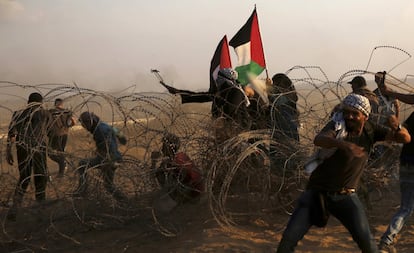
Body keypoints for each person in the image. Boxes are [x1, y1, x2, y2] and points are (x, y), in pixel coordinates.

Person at [276, 93, 411, 253]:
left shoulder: (370, 130)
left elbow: (405, 139)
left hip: (346, 196)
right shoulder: (337, 126)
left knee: (367, 243)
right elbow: (320, 139)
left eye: (355, 113)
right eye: (347, 112)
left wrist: (397, 126)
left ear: (365, 116)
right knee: (288, 241)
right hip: (317, 194)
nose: (350, 116)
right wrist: (343, 145)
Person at [6, 92, 52, 221]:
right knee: (40, 177)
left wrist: (8, 152)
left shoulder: (17, 114)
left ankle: (14, 209)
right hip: (39, 148)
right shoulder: (44, 113)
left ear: (28, 101)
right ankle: (40, 209)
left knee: (24, 178)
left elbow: (11, 135)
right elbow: (48, 132)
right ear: (40, 102)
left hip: (22, 148)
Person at [73, 111, 127, 202]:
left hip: (109, 159)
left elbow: (110, 147)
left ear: (89, 122)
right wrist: (123, 140)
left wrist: (109, 162)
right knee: (108, 185)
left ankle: (82, 190)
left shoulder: (99, 131)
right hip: (110, 157)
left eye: (84, 124)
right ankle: (124, 201)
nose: (83, 127)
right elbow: (117, 131)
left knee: (108, 185)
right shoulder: (102, 125)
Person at [151, 133, 204, 204]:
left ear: (169, 147)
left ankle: (180, 200)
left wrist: (154, 162)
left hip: (191, 193)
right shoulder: (180, 156)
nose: (162, 148)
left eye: (164, 146)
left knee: (161, 173)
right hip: (195, 191)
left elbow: (187, 176)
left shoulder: (178, 159)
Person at [268, 73, 300, 142]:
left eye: (274, 84)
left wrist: (269, 89)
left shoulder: (286, 97)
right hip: (282, 132)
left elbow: (277, 101)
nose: (273, 87)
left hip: (286, 133)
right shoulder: (290, 96)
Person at [48, 98, 75, 177]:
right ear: (62, 104)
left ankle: (62, 165)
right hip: (64, 134)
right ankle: (62, 169)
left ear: (55, 103)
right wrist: (67, 127)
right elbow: (73, 122)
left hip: (55, 135)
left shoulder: (51, 112)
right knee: (61, 151)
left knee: (50, 153)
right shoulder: (67, 112)